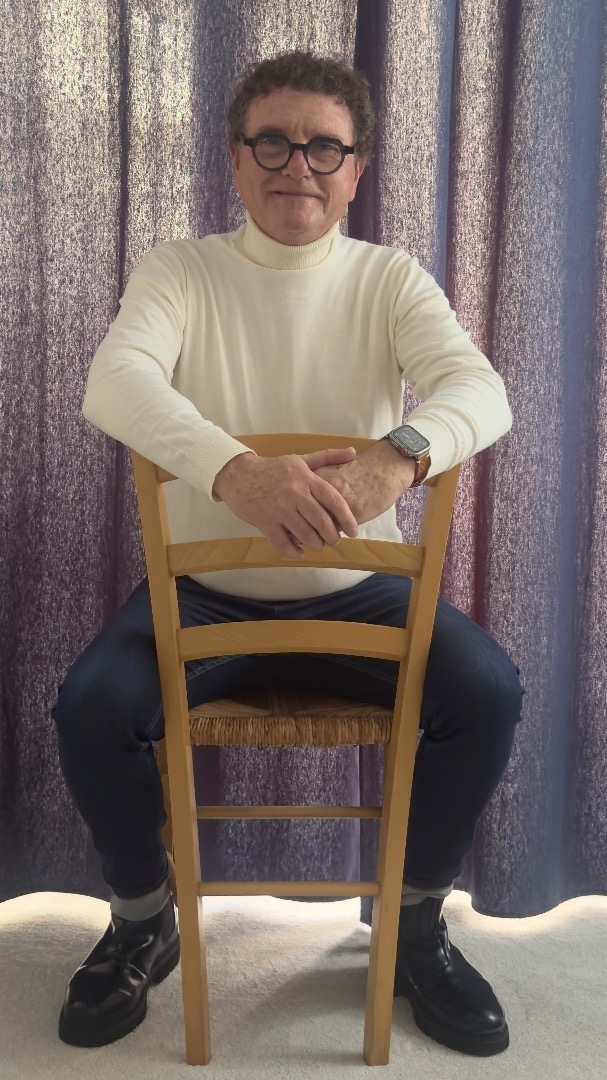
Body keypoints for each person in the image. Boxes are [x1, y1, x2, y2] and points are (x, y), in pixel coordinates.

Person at [53, 51, 524, 1057]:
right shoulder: (180, 270)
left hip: (358, 595)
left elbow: (480, 391)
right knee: (90, 705)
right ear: (236, 159)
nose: (296, 165)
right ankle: (141, 920)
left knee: (486, 692)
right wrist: (236, 473)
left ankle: (412, 926)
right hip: (203, 594)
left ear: (355, 170)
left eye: (323, 147)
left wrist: (397, 457)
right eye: (271, 142)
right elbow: (115, 382)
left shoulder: (390, 278)